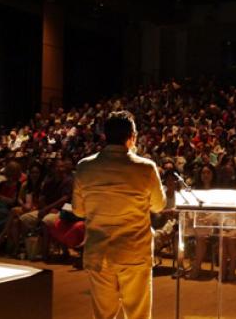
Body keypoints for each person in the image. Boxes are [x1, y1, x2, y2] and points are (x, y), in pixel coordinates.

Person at [72, 111, 166, 319]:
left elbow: (78, 210)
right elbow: (159, 206)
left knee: (104, 316)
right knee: (137, 315)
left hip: (98, 252)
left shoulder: (85, 167)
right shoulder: (145, 167)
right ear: (132, 136)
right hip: (134, 252)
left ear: (105, 136)